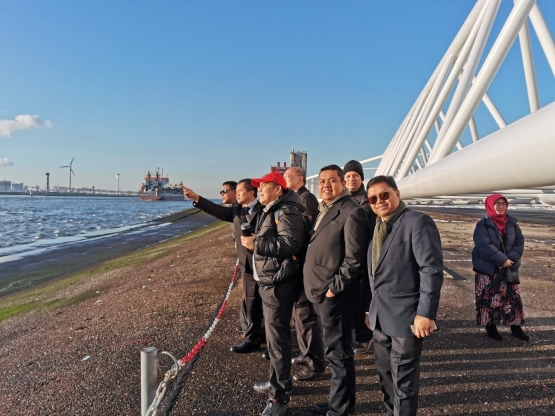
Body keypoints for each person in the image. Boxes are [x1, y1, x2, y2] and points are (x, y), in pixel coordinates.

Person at [365, 175, 443, 416]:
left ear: (397, 193)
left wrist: (425, 313)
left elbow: (430, 269)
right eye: (373, 198)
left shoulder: (417, 222)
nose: (379, 201)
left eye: (384, 194)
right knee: (386, 376)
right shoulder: (378, 227)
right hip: (380, 318)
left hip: (406, 318)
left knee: (405, 381)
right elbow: (377, 274)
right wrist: (370, 310)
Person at [303, 165, 368, 416]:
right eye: (321, 181)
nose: (326, 185)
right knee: (337, 352)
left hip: (335, 296)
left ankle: (338, 409)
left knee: (338, 354)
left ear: (342, 183)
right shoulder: (325, 208)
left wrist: (333, 289)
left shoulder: (351, 212)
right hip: (319, 291)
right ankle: (343, 402)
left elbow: (354, 260)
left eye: (332, 181)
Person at [242, 172, 306, 416]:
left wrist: (255, 244)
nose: (258, 190)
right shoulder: (271, 208)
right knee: (274, 339)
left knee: (278, 341)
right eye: (258, 186)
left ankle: (279, 397)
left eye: (264, 186)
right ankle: (277, 381)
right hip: (270, 280)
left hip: (278, 283)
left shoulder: (286, 210)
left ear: (277, 189)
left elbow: (291, 243)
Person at [182, 179, 265, 353]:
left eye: (241, 191)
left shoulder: (265, 208)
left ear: (251, 192)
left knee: (270, 304)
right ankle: (253, 339)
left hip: (266, 265)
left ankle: (271, 339)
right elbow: (217, 211)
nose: (238, 194)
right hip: (247, 266)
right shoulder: (236, 210)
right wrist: (197, 197)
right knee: (251, 302)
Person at [283, 167, 325, 381]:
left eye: (288, 177)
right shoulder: (296, 198)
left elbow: (305, 233)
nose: (285, 180)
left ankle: (315, 363)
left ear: (300, 178)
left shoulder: (306, 198)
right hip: (299, 266)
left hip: (302, 267)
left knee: (305, 316)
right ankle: (305, 353)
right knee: (299, 316)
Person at [472, 194, 528, 341]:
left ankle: (516, 328)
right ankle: (491, 328)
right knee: (489, 298)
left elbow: (519, 242)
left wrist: (511, 259)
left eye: (503, 203)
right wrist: (502, 260)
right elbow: (484, 245)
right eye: (497, 203)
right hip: (488, 268)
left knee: (513, 298)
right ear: (490, 205)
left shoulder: (512, 224)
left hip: (509, 267)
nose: (501, 206)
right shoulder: (482, 224)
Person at [343, 160, 376, 354]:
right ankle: (356, 332)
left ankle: (364, 338)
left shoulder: (367, 200)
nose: (351, 179)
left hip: (362, 257)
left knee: (364, 298)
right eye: (347, 176)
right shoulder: (344, 199)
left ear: (361, 178)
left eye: (355, 175)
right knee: (351, 298)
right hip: (347, 256)